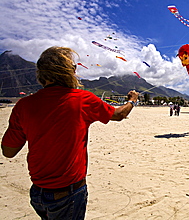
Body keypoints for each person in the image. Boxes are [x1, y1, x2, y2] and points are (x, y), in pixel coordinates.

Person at [1, 46, 139, 220]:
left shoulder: (23, 105)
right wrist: (132, 101)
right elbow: (119, 114)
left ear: (41, 74)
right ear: (70, 72)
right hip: (68, 194)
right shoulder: (82, 99)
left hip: (37, 193)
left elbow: (8, 151)